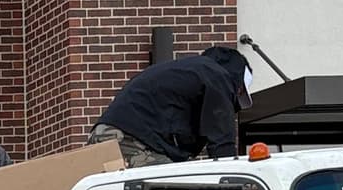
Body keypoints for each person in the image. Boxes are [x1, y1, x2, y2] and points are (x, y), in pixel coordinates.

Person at [93, 45, 253, 165]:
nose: (234, 100)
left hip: (108, 134)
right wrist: (233, 184)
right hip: (130, 138)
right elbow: (222, 142)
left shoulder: (194, 71)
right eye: (238, 94)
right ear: (237, 82)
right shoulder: (218, 77)